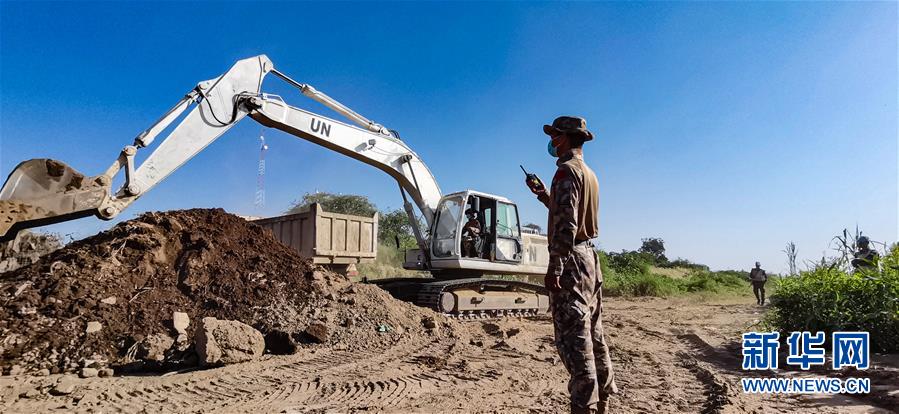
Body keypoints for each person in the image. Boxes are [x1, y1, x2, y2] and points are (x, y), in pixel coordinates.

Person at [525, 116, 616, 414]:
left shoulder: (565, 172)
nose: (551, 142)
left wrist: (555, 268)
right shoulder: (589, 174)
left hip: (572, 261)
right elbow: (570, 212)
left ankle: (584, 406)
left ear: (564, 138)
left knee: (576, 344)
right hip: (589, 259)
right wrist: (543, 197)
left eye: (554, 136)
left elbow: (566, 225)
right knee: (594, 334)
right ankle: (602, 401)